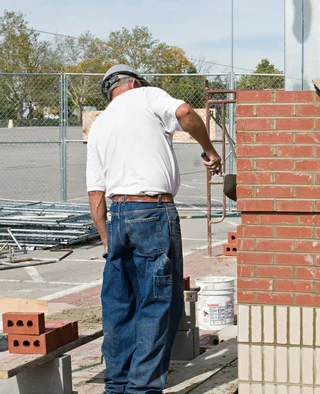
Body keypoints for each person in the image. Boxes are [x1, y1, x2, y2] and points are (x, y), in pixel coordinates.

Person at [86, 64, 221, 393]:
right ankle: (142, 389)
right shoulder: (147, 96)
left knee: (119, 304)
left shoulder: (101, 123)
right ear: (133, 82)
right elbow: (186, 112)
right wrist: (210, 149)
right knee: (158, 303)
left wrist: (108, 241)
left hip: (117, 215)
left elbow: (95, 195)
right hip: (152, 210)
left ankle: (116, 385)